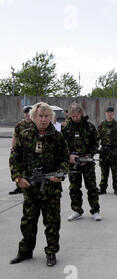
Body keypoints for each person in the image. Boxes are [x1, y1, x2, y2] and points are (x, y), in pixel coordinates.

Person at [9, 102, 69, 267]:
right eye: (40, 116)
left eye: (46, 116)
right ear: (33, 117)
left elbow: (64, 160)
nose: (43, 119)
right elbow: (15, 158)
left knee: (52, 222)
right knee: (28, 221)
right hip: (30, 188)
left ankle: (51, 252)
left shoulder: (57, 137)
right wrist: (18, 178)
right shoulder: (24, 135)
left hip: (51, 189)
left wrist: (60, 175)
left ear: (51, 117)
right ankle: (25, 251)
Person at [62, 103, 102, 222]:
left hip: (87, 162)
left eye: (77, 116)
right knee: (74, 188)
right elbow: (61, 145)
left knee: (92, 187)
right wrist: (69, 156)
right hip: (72, 163)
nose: (75, 118)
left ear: (81, 114)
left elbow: (96, 142)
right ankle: (76, 210)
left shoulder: (89, 127)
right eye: (72, 116)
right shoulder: (67, 128)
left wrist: (89, 155)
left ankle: (95, 211)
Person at [97, 106, 117, 195]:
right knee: (104, 171)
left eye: (111, 112)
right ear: (105, 113)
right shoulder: (101, 125)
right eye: (108, 112)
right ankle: (102, 188)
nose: (109, 114)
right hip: (104, 151)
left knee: (115, 171)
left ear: (113, 114)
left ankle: (116, 188)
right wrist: (94, 148)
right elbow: (97, 138)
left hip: (114, 151)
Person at [8, 106, 33, 195]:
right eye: (26, 113)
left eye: (29, 113)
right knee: (18, 168)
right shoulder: (19, 125)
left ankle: (29, 185)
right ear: (24, 114)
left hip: (31, 151)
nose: (28, 115)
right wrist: (13, 148)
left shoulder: (35, 124)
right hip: (20, 150)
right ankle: (19, 186)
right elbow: (15, 137)